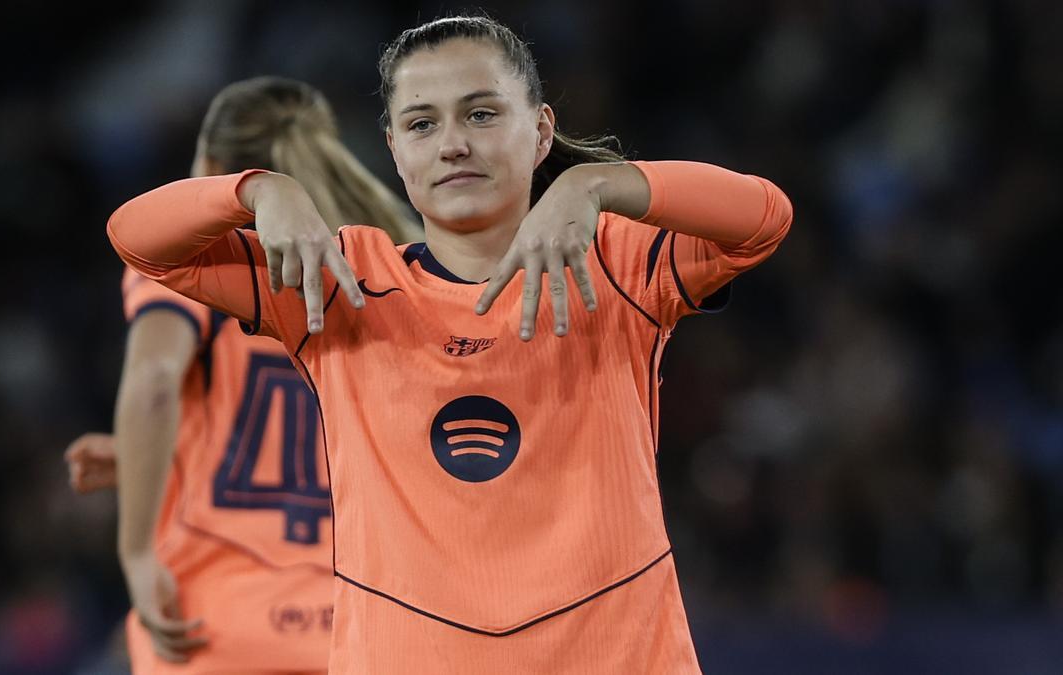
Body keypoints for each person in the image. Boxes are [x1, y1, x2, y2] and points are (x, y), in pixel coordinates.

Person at [107, 16, 792, 674]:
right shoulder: (342, 280)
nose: (453, 144)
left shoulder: (616, 262)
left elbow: (763, 217)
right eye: (422, 124)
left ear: (542, 129)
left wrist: (597, 183)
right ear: (394, 150)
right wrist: (257, 192)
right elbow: (138, 239)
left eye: (481, 114)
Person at [69, 75, 416, 674]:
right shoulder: (379, 269)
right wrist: (169, 454)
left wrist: (136, 553)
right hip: (353, 623)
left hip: (215, 620)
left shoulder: (197, 259)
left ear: (208, 168)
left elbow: (155, 380)